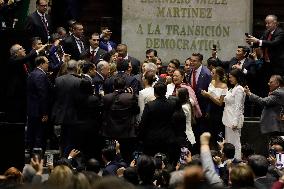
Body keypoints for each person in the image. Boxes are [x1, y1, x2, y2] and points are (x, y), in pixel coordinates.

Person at [244, 75, 284, 152]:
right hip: (278, 125)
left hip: (275, 126)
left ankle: (274, 163)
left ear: (277, 83)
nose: (268, 83)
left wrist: (249, 93)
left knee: (274, 148)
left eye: (271, 82)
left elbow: (263, 101)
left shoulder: (278, 93)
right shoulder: (281, 91)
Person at [26, 56, 52, 156]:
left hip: (33, 109)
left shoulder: (32, 73)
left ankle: (32, 154)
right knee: (39, 135)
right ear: (41, 64)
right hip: (39, 111)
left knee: (32, 134)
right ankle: (38, 158)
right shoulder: (40, 75)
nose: (48, 64)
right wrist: (45, 113)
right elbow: (43, 95)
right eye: (47, 62)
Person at [201, 66, 228, 149]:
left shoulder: (224, 86)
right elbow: (210, 96)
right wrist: (206, 94)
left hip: (218, 111)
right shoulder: (212, 82)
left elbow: (220, 103)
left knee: (216, 130)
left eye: (213, 73)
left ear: (218, 75)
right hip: (209, 107)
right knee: (209, 130)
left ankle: (218, 149)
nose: (211, 74)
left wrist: (209, 95)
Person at [222, 69, 246, 160]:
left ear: (237, 77)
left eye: (231, 77)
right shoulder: (233, 88)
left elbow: (238, 107)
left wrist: (235, 122)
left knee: (235, 143)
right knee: (229, 142)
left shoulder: (239, 89)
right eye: (229, 77)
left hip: (233, 120)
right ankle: (229, 160)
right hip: (228, 119)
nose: (229, 79)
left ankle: (237, 161)